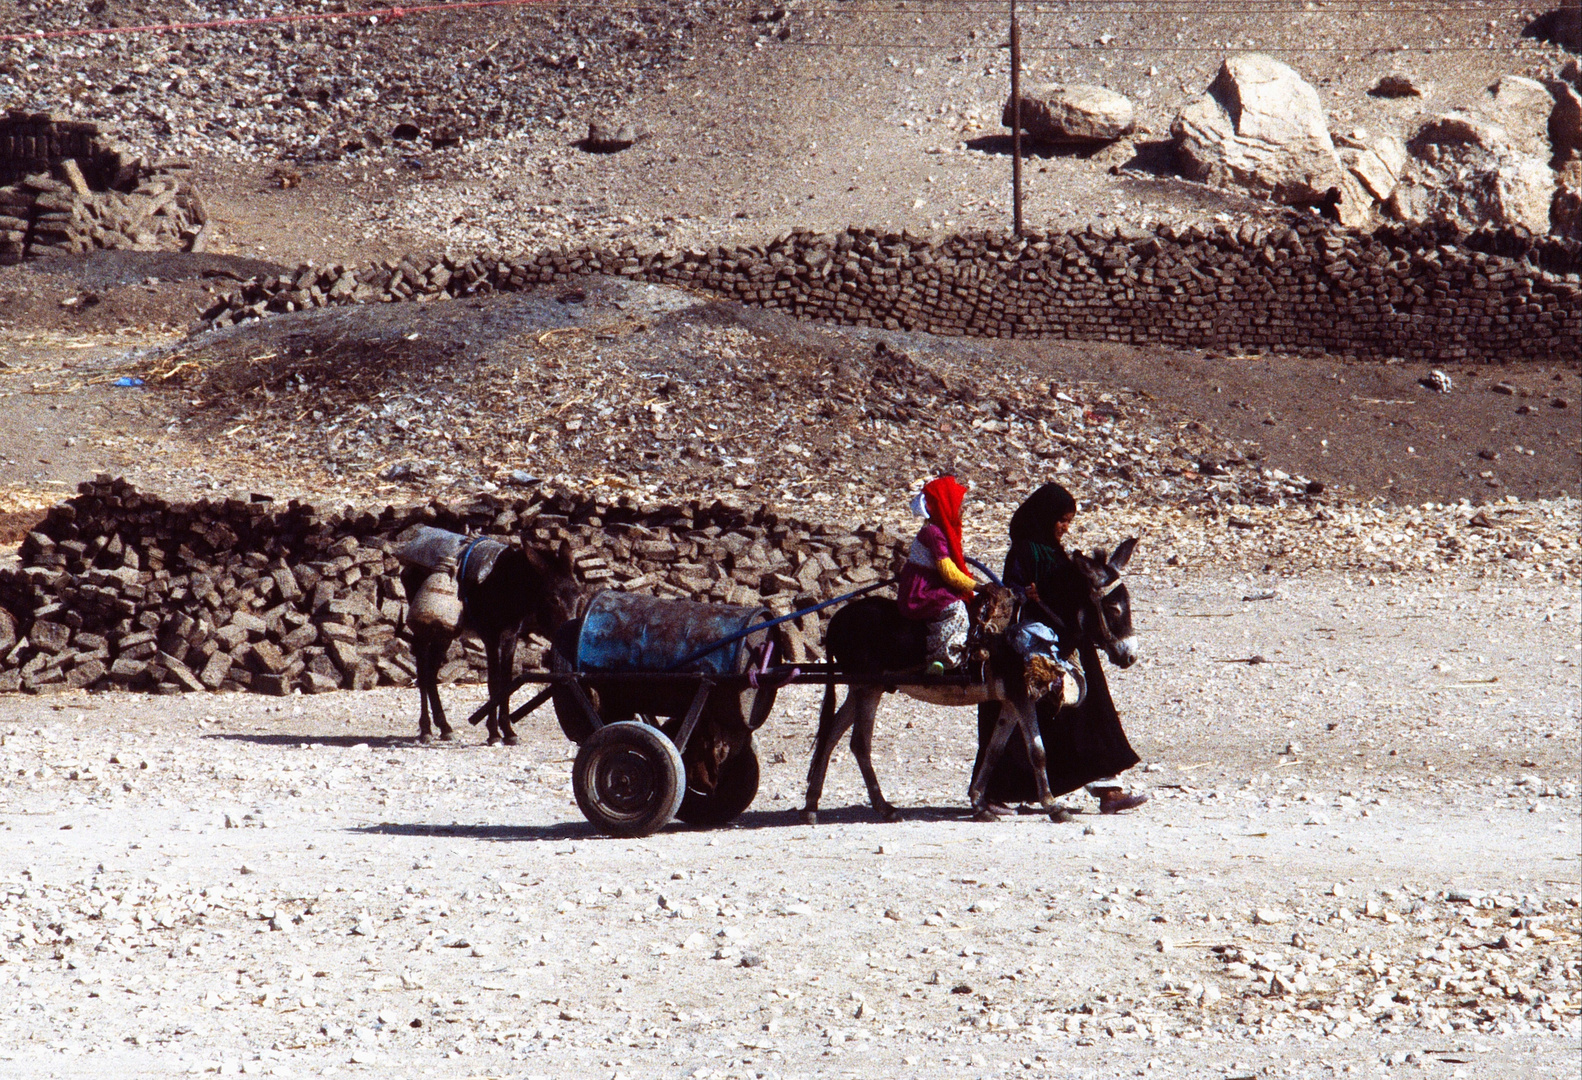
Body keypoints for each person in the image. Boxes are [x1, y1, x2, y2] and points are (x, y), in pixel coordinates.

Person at [972, 482, 1148, 814]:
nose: (1065, 527)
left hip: (1067, 640)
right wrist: (1028, 595)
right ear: (1045, 516)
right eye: (1062, 520)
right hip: (1032, 643)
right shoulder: (1023, 552)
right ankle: (997, 790)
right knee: (1017, 715)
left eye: (1068, 521)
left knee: (1090, 706)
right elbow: (1010, 595)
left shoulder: (1058, 553)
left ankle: (1108, 787)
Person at [896, 475, 983, 676]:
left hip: (930, 582)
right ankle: (940, 658)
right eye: (958, 505)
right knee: (956, 609)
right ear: (947, 506)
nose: (962, 510)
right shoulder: (933, 533)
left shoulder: (941, 531)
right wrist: (976, 587)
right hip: (921, 590)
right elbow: (948, 572)